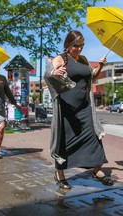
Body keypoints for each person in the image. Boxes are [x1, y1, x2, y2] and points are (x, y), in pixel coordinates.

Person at [44, 30, 114, 189]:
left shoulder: (83, 60)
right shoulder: (62, 58)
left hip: (84, 107)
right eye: (76, 46)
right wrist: (56, 72)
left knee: (93, 136)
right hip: (67, 108)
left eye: (82, 46)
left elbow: (92, 78)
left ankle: (97, 170)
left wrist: (100, 66)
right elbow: (48, 73)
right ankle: (59, 174)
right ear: (68, 45)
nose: (79, 49)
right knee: (64, 140)